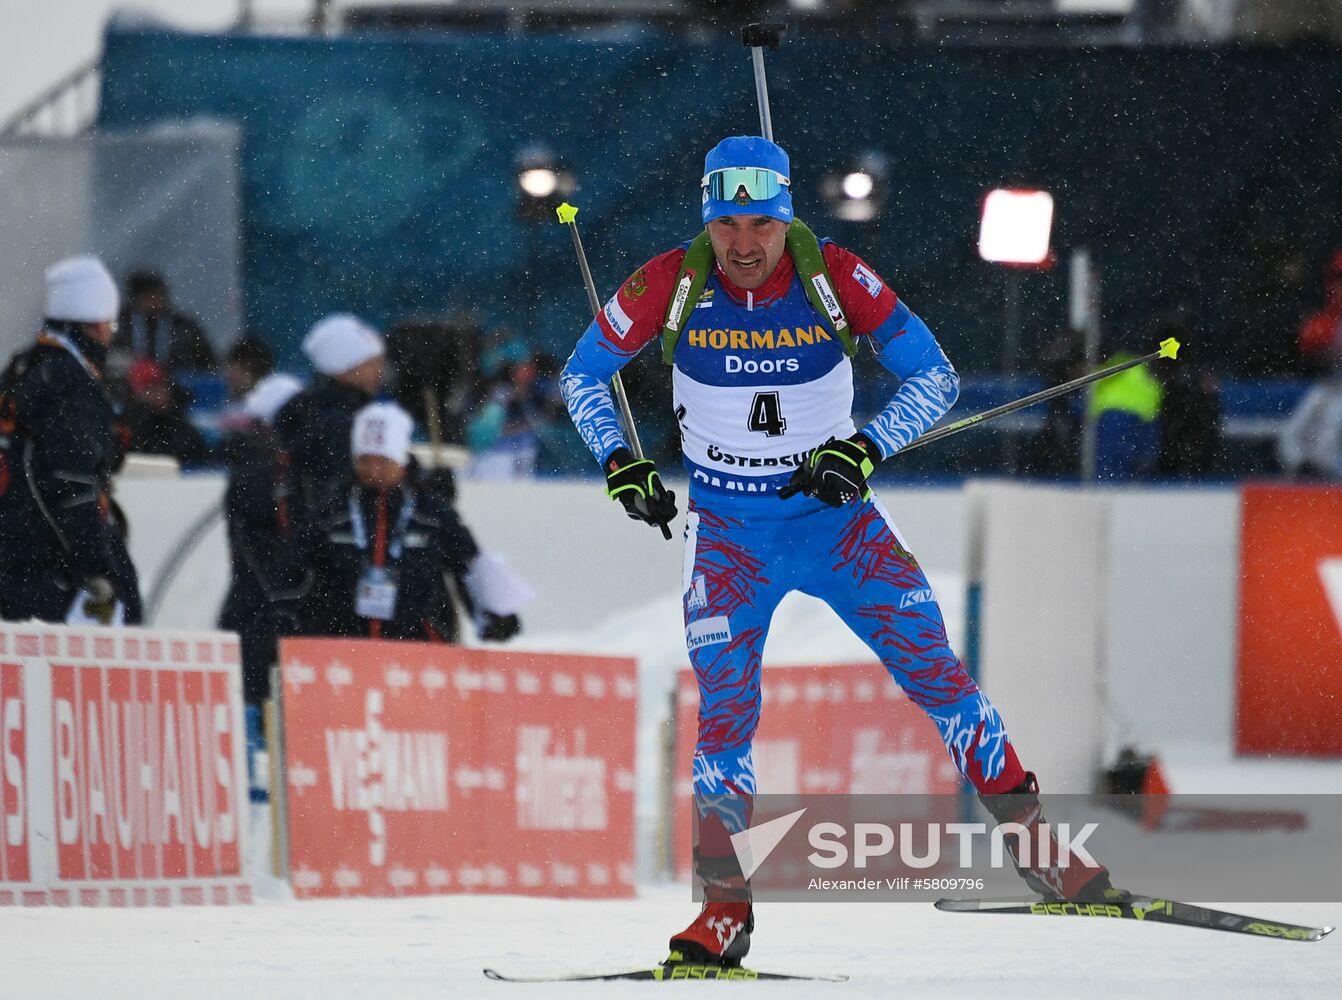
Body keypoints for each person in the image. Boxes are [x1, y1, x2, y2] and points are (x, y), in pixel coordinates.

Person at [560, 136, 1117, 967]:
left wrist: (863, 449)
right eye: (727, 227)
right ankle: (724, 911)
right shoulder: (670, 282)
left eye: (761, 225)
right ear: (706, 223)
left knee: (940, 678)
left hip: (838, 528)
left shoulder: (837, 276)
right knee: (724, 719)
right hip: (727, 539)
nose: (744, 245)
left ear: (787, 219)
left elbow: (936, 378)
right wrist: (620, 461)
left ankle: (1040, 853)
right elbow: (581, 373)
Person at [296, 402, 527, 643]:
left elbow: (468, 564)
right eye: (365, 460)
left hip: (421, 650)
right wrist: (290, 618)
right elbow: (298, 570)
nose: (374, 471)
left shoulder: (432, 513)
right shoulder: (332, 512)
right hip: (344, 650)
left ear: (402, 461)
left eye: (383, 461)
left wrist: (494, 613)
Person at [0, 256, 142, 624]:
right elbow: (73, 482)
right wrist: (99, 565)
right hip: (51, 560)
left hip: (11, 551)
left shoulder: (21, 368)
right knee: (116, 656)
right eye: (109, 323)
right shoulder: (72, 383)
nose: (111, 333)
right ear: (94, 324)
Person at [218, 372, 307, 707]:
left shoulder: (259, 472)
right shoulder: (259, 478)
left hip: (258, 612)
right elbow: (266, 554)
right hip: (265, 615)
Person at [274, 313, 387, 520]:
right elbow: (343, 492)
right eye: (371, 363)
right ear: (344, 369)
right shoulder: (339, 423)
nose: (380, 372)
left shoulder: (308, 410)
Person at [110, 270, 218, 373]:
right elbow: (110, 359)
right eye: (147, 296)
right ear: (135, 299)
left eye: (158, 295)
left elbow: (207, 364)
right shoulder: (119, 325)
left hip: (175, 387)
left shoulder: (183, 327)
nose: (154, 301)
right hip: (127, 387)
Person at [123, 358, 214, 467]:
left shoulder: (181, 425)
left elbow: (201, 461)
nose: (159, 393)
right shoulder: (128, 427)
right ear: (137, 394)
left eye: (161, 386)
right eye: (150, 388)